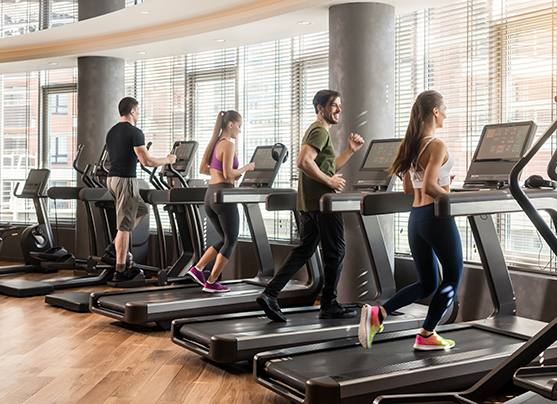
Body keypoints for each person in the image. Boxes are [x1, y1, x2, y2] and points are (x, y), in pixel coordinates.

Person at [359, 90, 462, 351]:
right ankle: (427, 334)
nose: (446, 115)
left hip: (416, 219)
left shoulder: (411, 145)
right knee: (452, 278)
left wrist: (444, 184)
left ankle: (379, 314)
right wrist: (456, 200)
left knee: (427, 283)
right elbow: (429, 186)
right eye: (445, 109)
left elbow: (409, 188)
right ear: (435, 111)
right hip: (436, 218)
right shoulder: (436, 145)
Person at [257, 89, 364, 322]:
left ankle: (270, 293)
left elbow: (325, 166)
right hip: (323, 205)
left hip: (309, 204)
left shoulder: (319, 132)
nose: (338, 109)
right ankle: (329, 304)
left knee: (304, 250)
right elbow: (303, 162)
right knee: (336, 252)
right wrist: (329, 182)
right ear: (321, 109)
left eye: (339, 106)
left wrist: (349, 152)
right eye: (334, 105)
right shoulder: (319, 130)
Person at [105, 97, 176, 282]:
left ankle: (114, 248)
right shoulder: (135, 132)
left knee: (141, 210)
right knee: (125, 226)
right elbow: (146, 161)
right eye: (138, 110)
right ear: (132, 112)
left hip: (111, 179)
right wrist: (168, 160)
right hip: (125, 180)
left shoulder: (112, 132)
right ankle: (120, 271)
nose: (139, 114)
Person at [186, 110, 255, 292]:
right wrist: (246, 168)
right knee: (231, 240)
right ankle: (211, 281)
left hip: (210, 195)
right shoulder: (228, 145)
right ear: (230, 124)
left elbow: (204, 169)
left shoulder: (214, 143)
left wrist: (227, 175)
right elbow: (228, 173)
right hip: (224, 196)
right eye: (239, 126)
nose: (239, 130)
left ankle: (198, 268)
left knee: (224, 238)